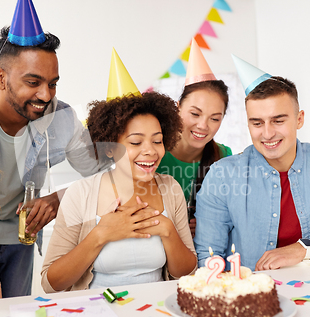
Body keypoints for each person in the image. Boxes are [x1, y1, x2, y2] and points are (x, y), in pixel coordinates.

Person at [40, 51, 196, 291]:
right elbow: (51, 284)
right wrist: (100, 234)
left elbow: (185, 272)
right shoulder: (81, 194)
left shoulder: (170, 188)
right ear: (110, 147)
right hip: (99, 315)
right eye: (135, 143)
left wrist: (167, 230)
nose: (150, 152)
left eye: (157, 140)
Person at [0, 0, 102, 297]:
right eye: (33, 82)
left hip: (19, 242)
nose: (45, 95)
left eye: (53, 83)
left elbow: (101, 176)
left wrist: (60, 199)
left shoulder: (63, 118)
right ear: (0, 78)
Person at [194, 56, 310, 271]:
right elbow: (208, 257)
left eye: (278, 120)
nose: (267, 133)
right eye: (257, 123)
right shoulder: (222, 176)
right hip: (251, 297)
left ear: (299, 119)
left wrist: (303, 249)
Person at [156, 39, 231, 237]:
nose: (203, 126)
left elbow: (230, 215)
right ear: (178, 107)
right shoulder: (153, 153)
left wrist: (209, 223)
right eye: (195, 114)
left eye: (215, 118)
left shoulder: (223, 156)